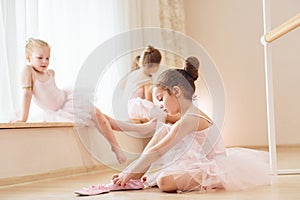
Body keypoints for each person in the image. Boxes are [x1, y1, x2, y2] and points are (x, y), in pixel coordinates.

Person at [74, 59, 270, 195]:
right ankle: (135, 177)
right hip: (198, 158)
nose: (160, 105)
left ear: (175, 92)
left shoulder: (190, 119)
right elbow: (153, 146)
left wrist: (126, 171)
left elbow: (159, 151)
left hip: (214, 165)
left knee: (164, 182)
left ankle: (215, 180)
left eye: (161, 99)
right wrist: (131, 171)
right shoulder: (183, 118)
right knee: (162, 132)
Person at [11, 38, 157, 164]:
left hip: (67, 100)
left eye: (48, 58)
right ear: (28, 58)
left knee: (102, 117)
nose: (45, 61)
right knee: (101, 117)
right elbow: (27, 94)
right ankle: (126, 139)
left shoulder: (50, 73)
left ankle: (125, 139)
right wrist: (23, 119)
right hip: (59, 110)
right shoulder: (27, 71)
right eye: (40, 57)